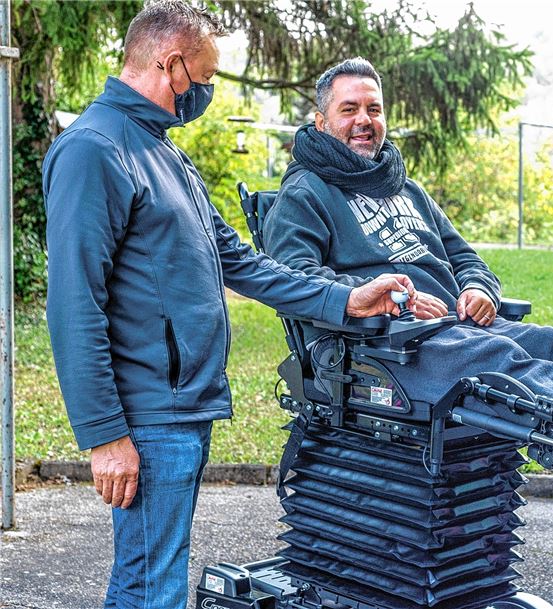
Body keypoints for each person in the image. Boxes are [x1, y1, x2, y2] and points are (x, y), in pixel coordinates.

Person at [41, 4, 428, 608]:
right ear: (171, 66)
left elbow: (241, 262)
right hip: (147, 418)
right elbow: (73, 303)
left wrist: (347, 298)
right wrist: (103, 435)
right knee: (151, 586)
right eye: (206, 75)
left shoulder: (163, 153)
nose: (209, 90)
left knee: (153, 576)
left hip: (183, 408)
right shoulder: (94, 150)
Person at [261, 57, 553, 471]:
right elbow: (294, 281)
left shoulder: (404, 187)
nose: (364, 120)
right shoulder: (305, 193)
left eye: (374, 108)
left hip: (456, 327)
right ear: (321, 122)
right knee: (505, 365)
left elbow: (465, 256)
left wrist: (478, 289)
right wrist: (389, 300)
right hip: (385, 352)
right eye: (349, 109)